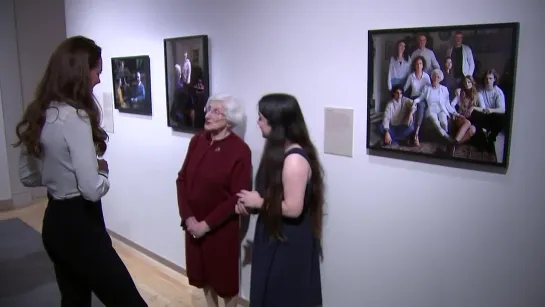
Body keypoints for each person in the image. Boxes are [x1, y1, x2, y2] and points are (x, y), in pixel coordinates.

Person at [14, 36, 147, 306]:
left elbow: (27, 176)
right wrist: (103, 172)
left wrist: (58, 176)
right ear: (79, 71)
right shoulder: (75, 117)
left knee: (74, 300)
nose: (98, 78)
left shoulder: (40, 112)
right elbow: (91, 189)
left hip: (54, 224)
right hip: (81, 226)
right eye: (96, 70)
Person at [235, 93, 324, 307]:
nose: (258, 123)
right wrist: (251, 204)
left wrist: (258, 203)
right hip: (276, 235)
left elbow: (293, 208)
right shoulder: (278, 152)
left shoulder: (294, 160)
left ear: (277, 124)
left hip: (288, 242)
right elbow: (272, 196)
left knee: (283, 298)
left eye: (261, 118)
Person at [176, 93, 252, 307]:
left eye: (216, 111)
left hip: (220, 229)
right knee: (203, 278)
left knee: (226, 283)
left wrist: (205, 225)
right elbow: (182, 179)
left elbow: (238, 195)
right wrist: (188, 217)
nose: (208, 115)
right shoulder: (198, 140)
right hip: (193, 224)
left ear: (229, 119)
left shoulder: (240, 151)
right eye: (209, 109)